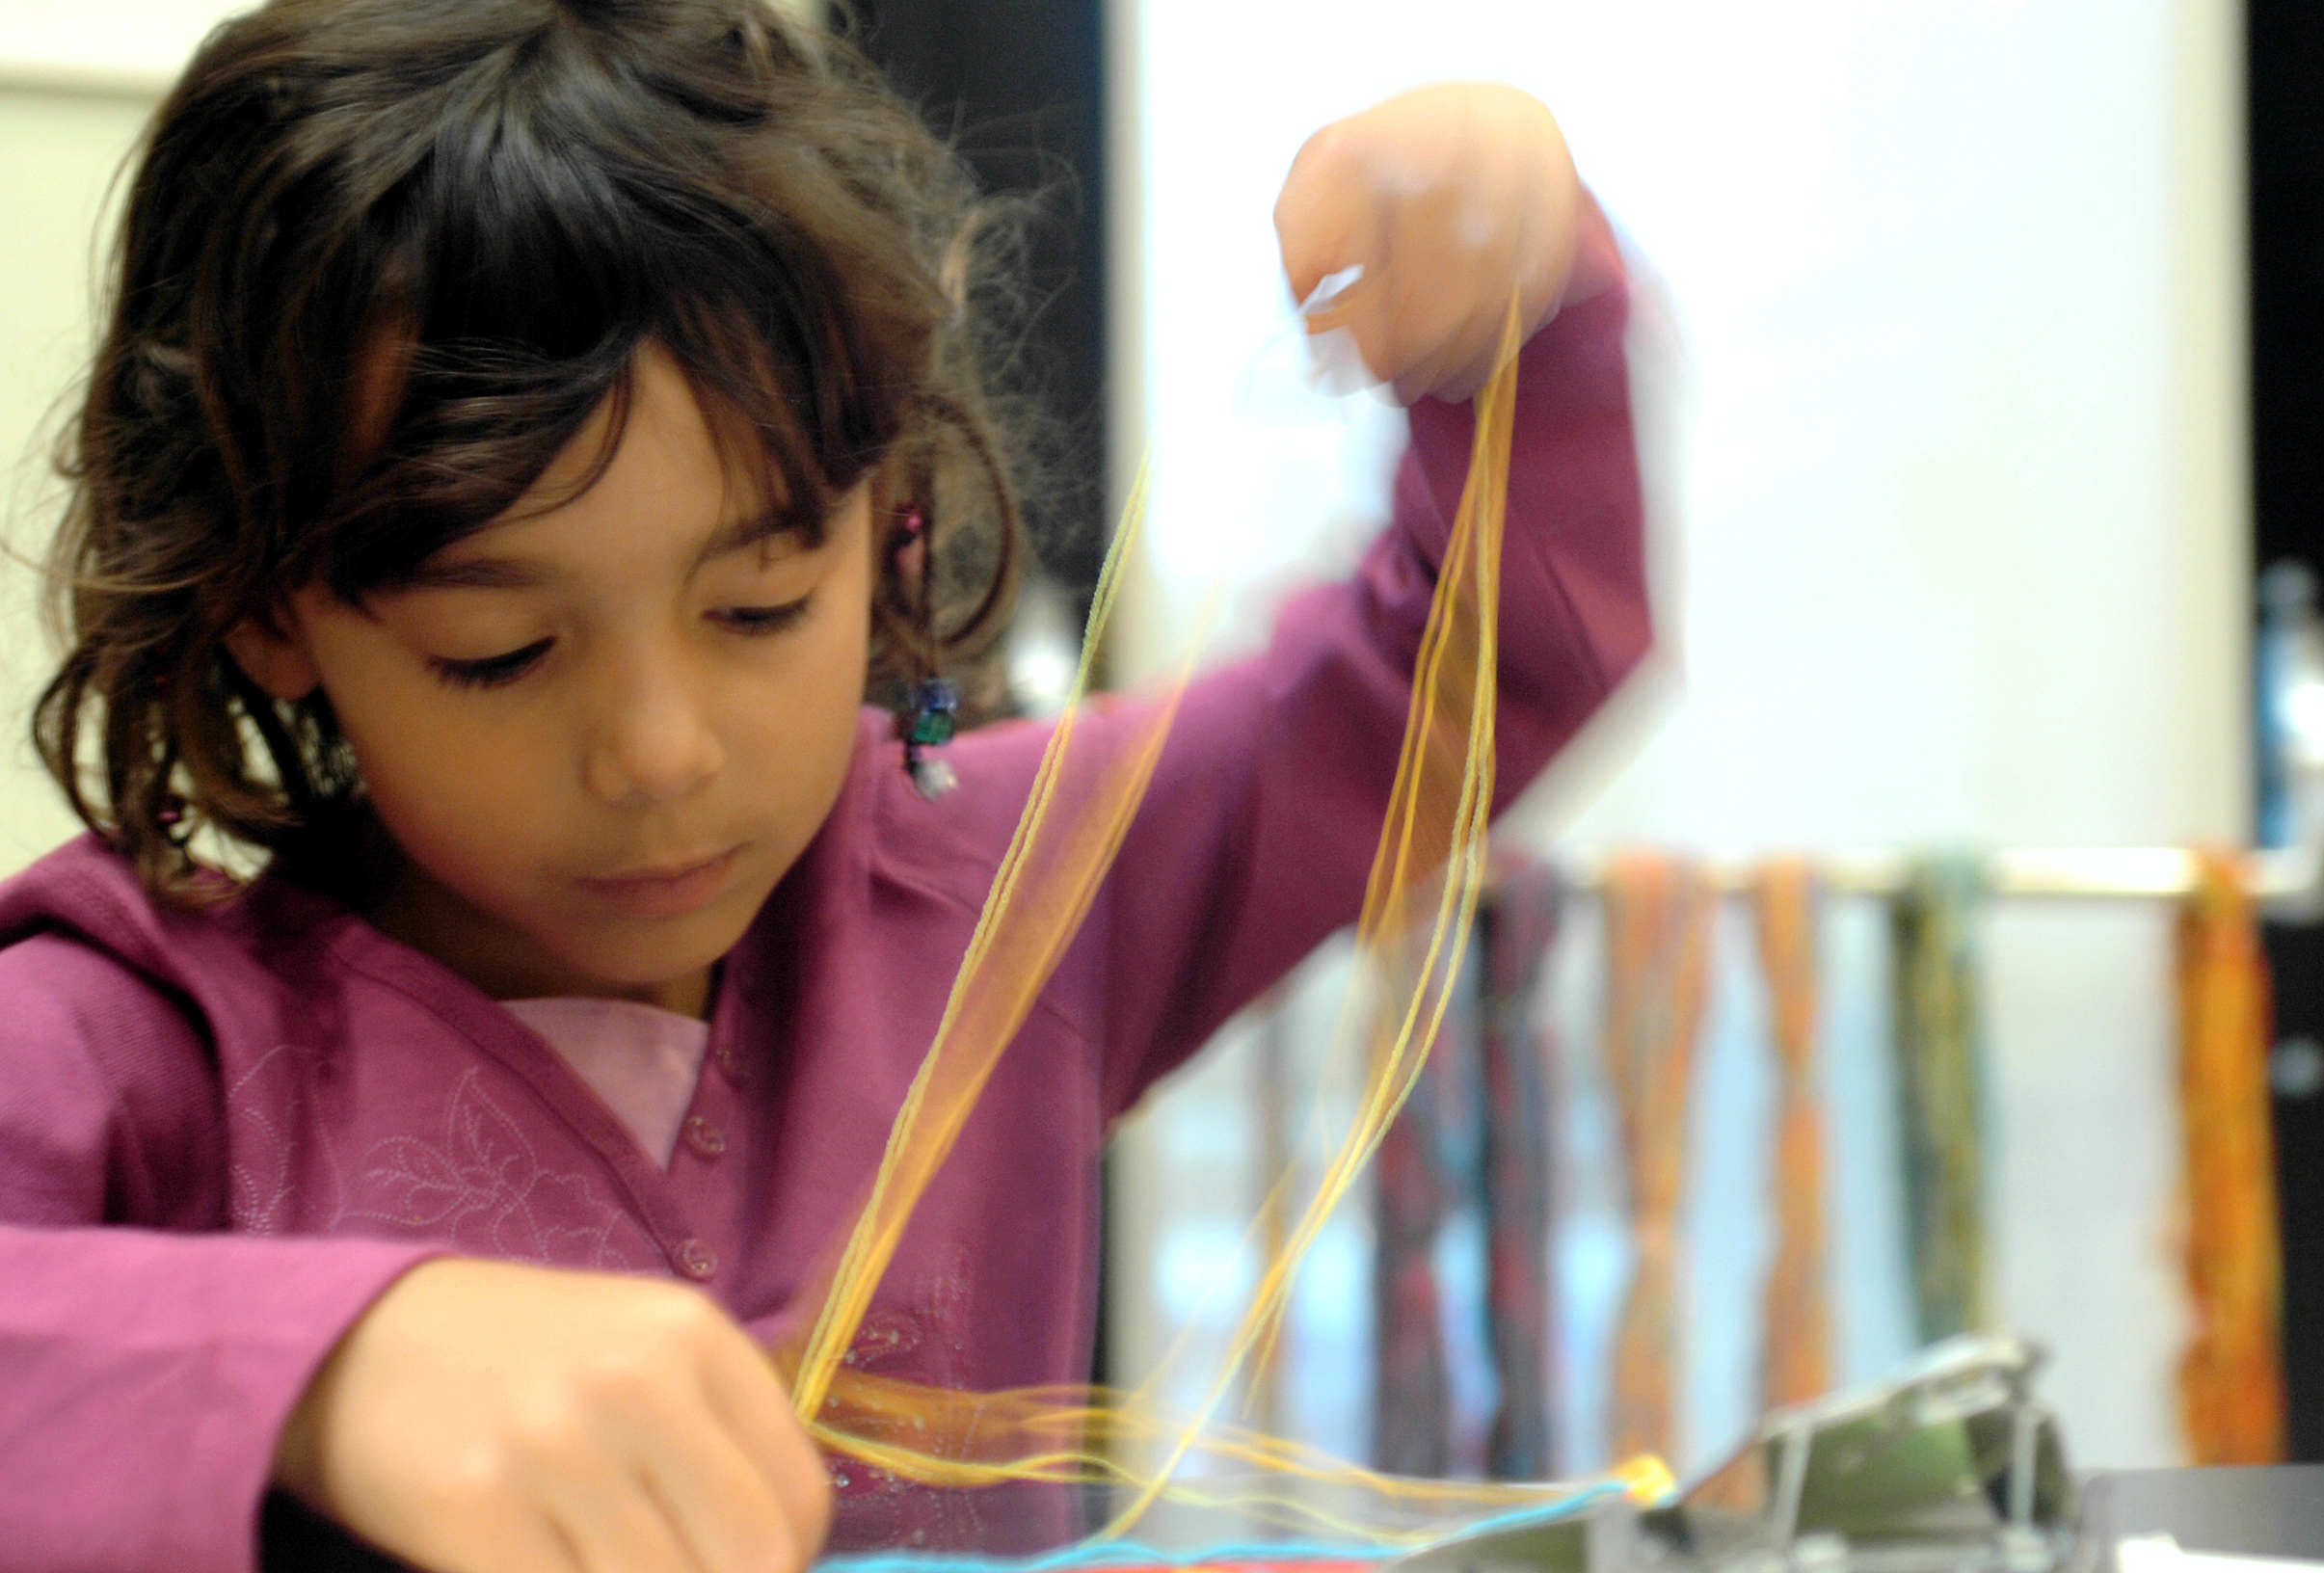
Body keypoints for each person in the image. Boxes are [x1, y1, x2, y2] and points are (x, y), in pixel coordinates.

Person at [0, 0, 1649, 1569]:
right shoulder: (143, 1039)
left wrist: (1527, 309)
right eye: (498, 649)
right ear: (273, 614)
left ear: (890, 529)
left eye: (759, 607)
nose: (662, 753)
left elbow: (1476, 666)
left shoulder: (1008, 893)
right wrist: (326, 1369)